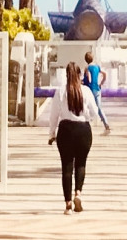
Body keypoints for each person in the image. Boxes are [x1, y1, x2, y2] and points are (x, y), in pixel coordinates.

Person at [47, 59, 101, 212]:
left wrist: (52, 134)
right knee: (81, 164)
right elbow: (95, 112)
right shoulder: (86, 91)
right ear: (79, 75)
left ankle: (68, 204)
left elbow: (54, 115)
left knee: (66, 168)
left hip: (66, 130)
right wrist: (87, 118)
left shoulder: (61, 91)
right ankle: (78, 192)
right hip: (83, 130)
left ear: (66, 75)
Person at [82, 48, 110, 132]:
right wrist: (101, 83)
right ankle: (106, 123)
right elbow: (105, 74)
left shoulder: (87, 68)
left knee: (86, 107)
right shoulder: (97, 67)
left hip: (90, 90)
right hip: (97, 89)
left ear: (86, 60)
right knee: (99, 107)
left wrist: (84, 81)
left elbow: (89, 79)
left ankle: (86, 124)